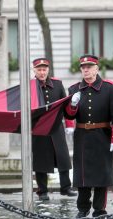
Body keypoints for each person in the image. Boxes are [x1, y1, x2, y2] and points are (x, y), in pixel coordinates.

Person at [65, 54, 113, 218]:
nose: (86, 70)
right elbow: (69, 116)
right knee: (82, 177)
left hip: (103, 136)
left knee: (102, 176)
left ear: (96, 69)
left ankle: (99, 209)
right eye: (83, 68)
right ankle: (83, 209)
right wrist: (73, 105)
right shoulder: (74, 89)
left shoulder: (109, 88)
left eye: (89, 67)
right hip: (82, 137)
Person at [32, 58, 77, 201]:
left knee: (62, 158)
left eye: (44, 69)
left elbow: (65, 105)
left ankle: (65, 188)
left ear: (48, 70)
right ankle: (42, 190)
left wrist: (69, 124)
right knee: (41, 161)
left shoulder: (57, 84)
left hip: (56, 127)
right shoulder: (30, 86)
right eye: (39, 69)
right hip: (39, 129)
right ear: (34, 70)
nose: (42, 72)